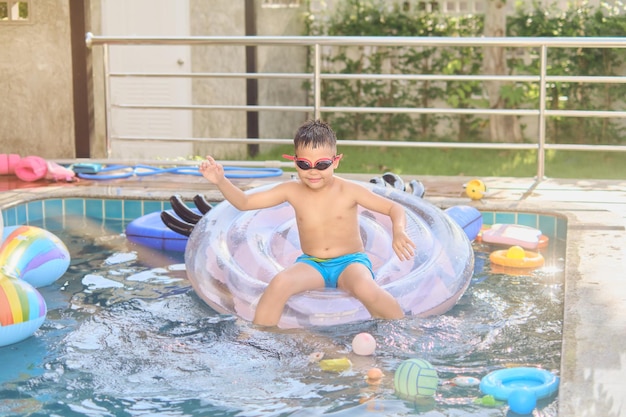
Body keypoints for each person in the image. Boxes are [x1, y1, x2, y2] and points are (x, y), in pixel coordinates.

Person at [199, 119, 415, 327]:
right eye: (304, 164)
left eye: (322, 164)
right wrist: (220, 181)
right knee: (279, 284)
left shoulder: (349, 191)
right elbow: (245, 202)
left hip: (350, 262)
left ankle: (402, 329)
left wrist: (398, 231)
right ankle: (260, 339)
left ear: (336, 161)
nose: (313, 172)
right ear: (295, 162)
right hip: (313, 263)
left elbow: (393, 208)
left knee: (365, 288)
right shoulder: (291, 191)